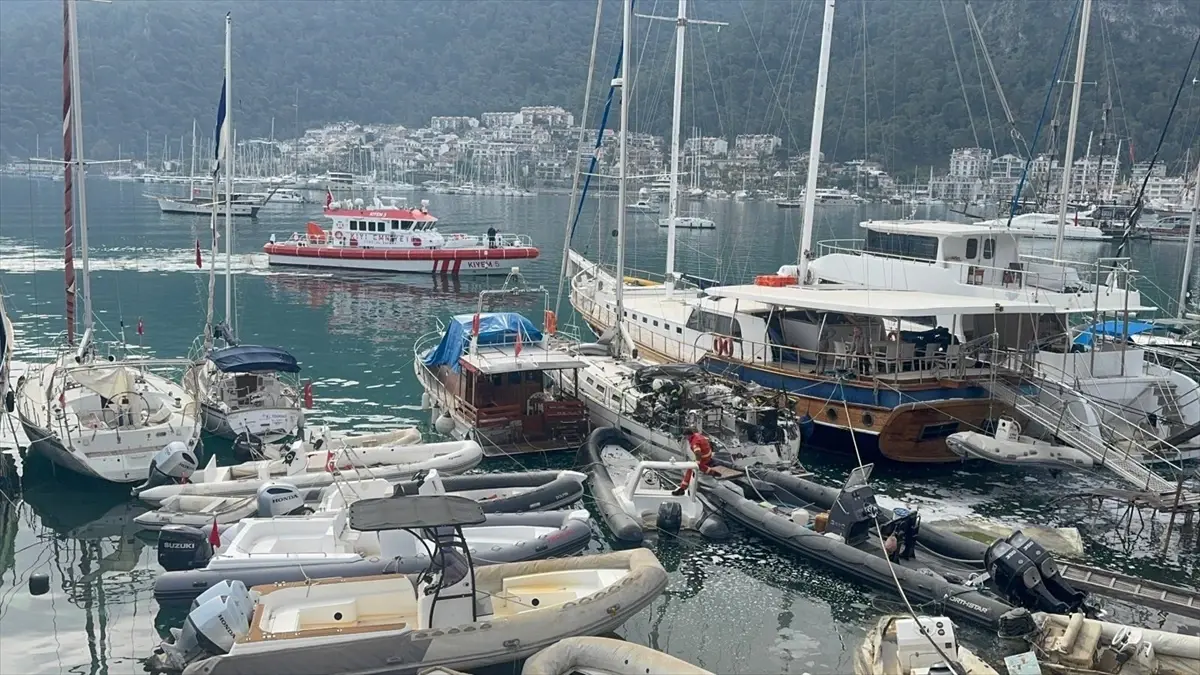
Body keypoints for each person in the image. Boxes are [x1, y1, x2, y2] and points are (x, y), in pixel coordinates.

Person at [672, 427, 719, 495]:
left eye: (686, 437)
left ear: (688, 435)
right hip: (708, 455)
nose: (686, 438)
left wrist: (696, 463)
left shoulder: (694, 442)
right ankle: (711, 472)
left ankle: (682, 488)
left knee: (691, 468)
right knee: (699, 465)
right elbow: (707, 440)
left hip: (704, 457)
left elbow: (698, 453)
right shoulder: (698, 435)